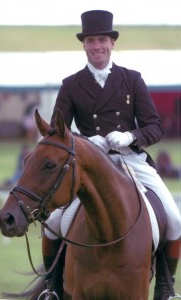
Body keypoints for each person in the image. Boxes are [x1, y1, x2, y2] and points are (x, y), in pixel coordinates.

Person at [42, 10, 181, 299]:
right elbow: (57, 132)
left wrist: (131, 137)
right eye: (91, 40)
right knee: (53, 223)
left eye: (102, 39)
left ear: (112, 43)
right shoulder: (71, 84)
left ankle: (166, 287)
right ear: (84, 45)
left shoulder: (131, 79)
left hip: (130, 161)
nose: (97, 46)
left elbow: (154, 126)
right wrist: (84, 141)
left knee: (174, 218)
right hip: (89, 164)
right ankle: (52, 288)